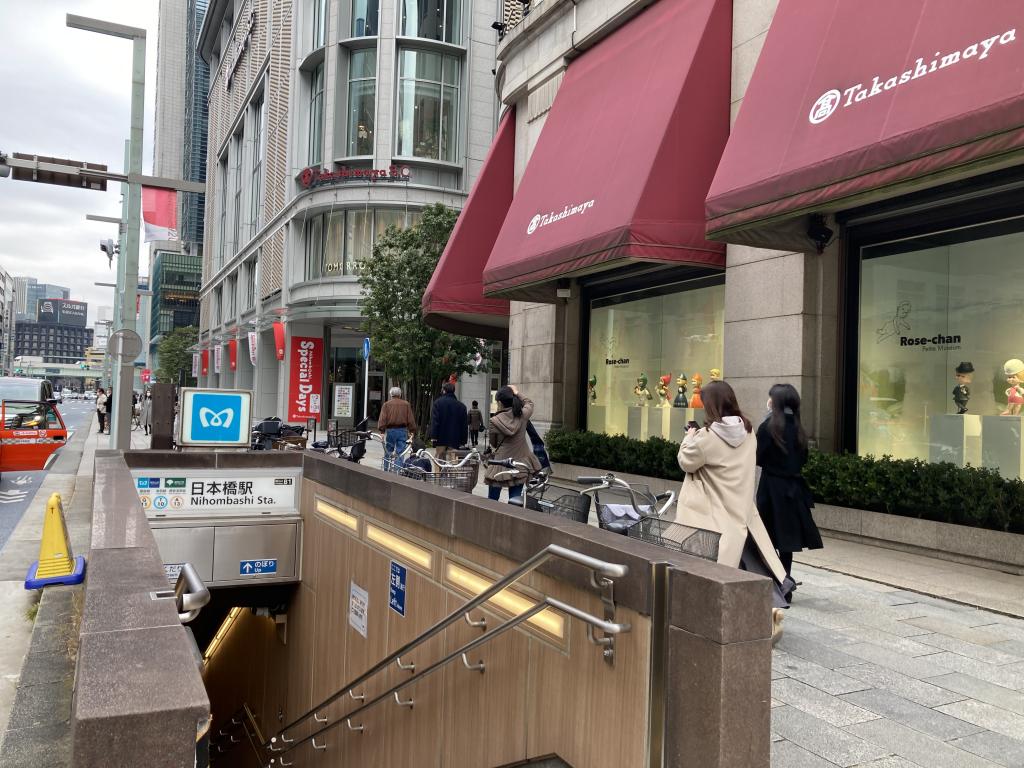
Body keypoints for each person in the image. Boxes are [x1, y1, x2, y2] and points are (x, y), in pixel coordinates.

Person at [672, 380, 794, 645]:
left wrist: (688, 436)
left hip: (714, 514)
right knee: (748, 566)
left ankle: (712, 618)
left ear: (711, 405)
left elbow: (686, 462)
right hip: (741, 510)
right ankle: (768, 609)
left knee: (711, 569)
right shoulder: (749, 432)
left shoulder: (707, 437)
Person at [756, 384, 822, 599]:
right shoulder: (800, 429)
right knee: (787, 541)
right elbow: (803, 459)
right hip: (793, 490)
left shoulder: (768, 427)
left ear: (775, 402)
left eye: (770, 398)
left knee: (766, 537)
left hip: (771, 488)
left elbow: (758, 457)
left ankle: (772, 583)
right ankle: (786, 584)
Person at [484, 386, 541, 503]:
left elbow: (493, 443)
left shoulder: (494, 421)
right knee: (515, 501)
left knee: (492, 501)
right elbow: (529, 403)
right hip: (519, 464)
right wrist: (517, 392)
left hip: (499, 464)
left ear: (499, 402)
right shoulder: (523, 415)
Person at [377, 387, 417, 467]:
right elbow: (410, 419)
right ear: (400, 394)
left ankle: (386, 469)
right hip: (402, 430)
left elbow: (383, 419)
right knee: (400, 452)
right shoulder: (406, 404)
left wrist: (382, 431)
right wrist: (412, 431)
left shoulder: (386, 404)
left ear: (391, 394)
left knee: (388, 451)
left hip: (391, 430)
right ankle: (397, 472)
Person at [430, 381, 468, 459]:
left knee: (439, 459)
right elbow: (464, 425)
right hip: (455, 438)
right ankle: (452, 471)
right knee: (453, 460)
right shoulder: (461, 406)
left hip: (441, 437)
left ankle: (438, 471)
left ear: (444, 390)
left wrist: (434, 436)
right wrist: (463, 440)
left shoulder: (437, 403)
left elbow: (435, 422)